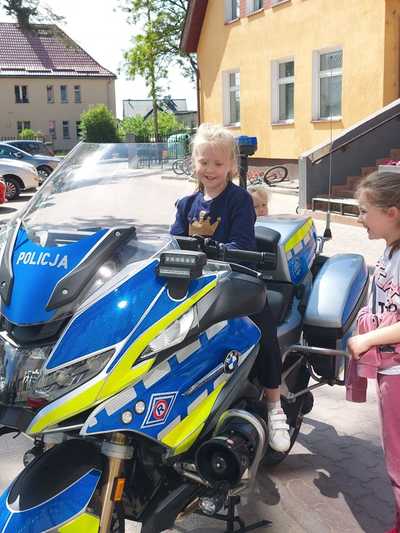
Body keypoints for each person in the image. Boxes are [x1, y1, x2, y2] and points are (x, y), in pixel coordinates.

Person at [170, 123, 290, 452]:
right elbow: (173, 242)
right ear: (193, 162)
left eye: (218, 164)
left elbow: (241, 242)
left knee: (263, 326)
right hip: (198, 285)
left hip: (236, 280)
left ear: (231, 167)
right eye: (203, 162)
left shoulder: (239, 201)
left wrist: (216, 253)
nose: (210, 169)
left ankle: (274, 404)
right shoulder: (185, 203)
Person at [347, 171, 400, 533]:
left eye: (365, 211)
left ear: (392, 212)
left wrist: (368, 340)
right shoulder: (390, 249)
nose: (360, 218)